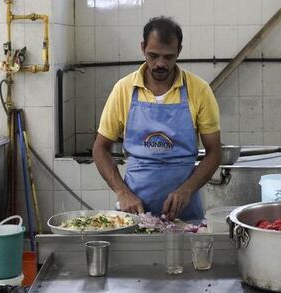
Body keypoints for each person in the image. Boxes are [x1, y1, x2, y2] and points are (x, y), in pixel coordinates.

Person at [92, 16, 222, 221]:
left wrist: (187, 190)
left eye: (168, 57)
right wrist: (123, 192)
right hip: (134, 212)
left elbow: (215, 152)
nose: (160, 63)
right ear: (143, 48)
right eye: (153, 55)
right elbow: (100, 149)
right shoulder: (124, 90)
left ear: (179, 50)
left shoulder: (199, 90)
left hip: (185, 214)